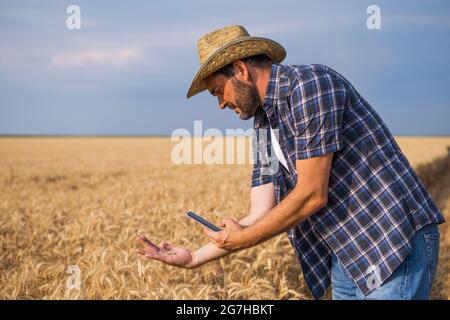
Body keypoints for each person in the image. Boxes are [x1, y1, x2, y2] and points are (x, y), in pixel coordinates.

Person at [136, 25, 445, 300]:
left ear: (241, 70)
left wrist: (243, 239)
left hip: (389, 242)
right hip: (346, 253)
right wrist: (193, 257)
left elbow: (312, 194)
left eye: (219, 91)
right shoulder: (262, 123)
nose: (220, 104)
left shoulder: (310, 86)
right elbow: (260, 211)